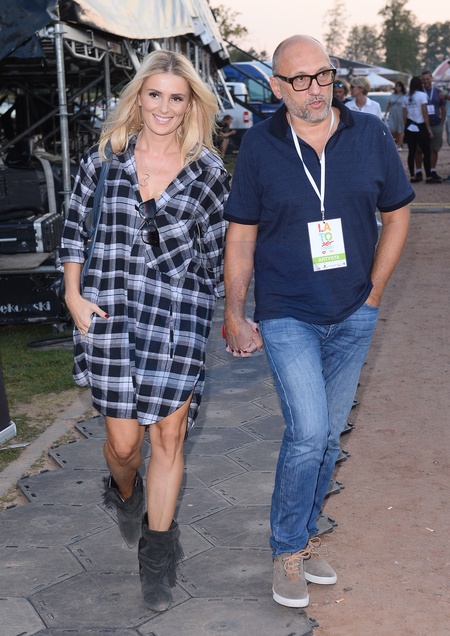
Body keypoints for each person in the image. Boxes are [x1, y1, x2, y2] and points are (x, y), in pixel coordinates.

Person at [222, 34, 413, 610]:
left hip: (355, 311)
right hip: (288, 312)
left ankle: (302, 540)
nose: (315, 89)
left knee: (328, 438)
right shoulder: (260, 145)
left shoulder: (370, 134)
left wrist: (374, 293)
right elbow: (241, 237)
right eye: (300, 80)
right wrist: (234, 312)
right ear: (276, 86)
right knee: (308, 433)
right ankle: (286, 550)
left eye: (323, 75)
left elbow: (398, 215)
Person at [57, 50, 229, 612]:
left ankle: (158, 556)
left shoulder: (207, 172)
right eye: (154, 94)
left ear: (191, 105)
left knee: (168, 439)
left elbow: (218, 254)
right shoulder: (104, 160)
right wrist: (72, 294)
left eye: (176, 98)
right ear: (138, 97)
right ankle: (124, 491)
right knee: (125, 447)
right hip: (108, 315)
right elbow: (74, 231)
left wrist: (227, 310)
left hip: (177, 318)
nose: (164, 107)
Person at [414, 70, 446, 182]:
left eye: (427, 79)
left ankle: (432, 170)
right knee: (419, 149)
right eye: (423, 79)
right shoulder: (418, 93)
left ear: (431, 78)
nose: (426, 81)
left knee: (434, 149)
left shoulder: (438, 92)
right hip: (421, 125)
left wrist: (441, 123)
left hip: (436, 124)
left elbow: (443, 108)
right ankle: (418, 171)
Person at [402, 75, 436, 183]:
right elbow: (424, 113)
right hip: (420, 125)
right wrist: (428, 128)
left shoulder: (406, 97)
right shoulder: (422, 95)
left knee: (411, 152)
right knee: (426, 151)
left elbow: (404, 115)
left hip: (409, 126)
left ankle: (412, 175)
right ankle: (429, 176)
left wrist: (406, 127)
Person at [385, 80, 406, 150]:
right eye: (396, 86)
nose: (397, 87)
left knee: (399, 130)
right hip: (392, 114)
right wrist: (386, 112)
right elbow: (389, 104)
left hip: (400, 114)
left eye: (399, 86)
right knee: (392, 129)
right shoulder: (392, 95)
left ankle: (399, 145)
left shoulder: (404, 96)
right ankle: (399, 141)